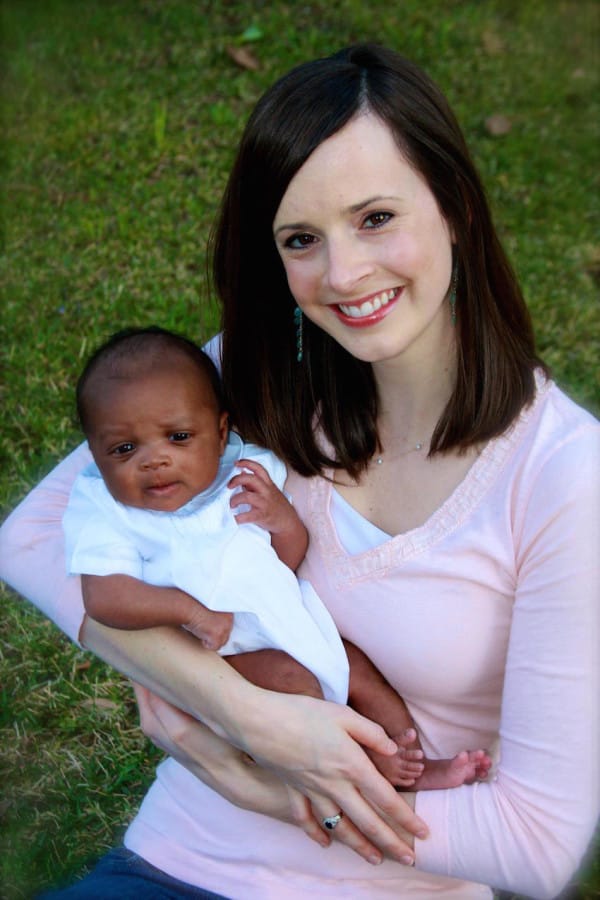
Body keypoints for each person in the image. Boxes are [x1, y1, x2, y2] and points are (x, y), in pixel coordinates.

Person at [0, 42, 598, 900]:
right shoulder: (247, 379)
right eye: (301, 239)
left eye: (377, 218)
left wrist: (281, 792)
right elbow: (27, 538)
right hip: (178, 860)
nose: (343, 274)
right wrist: (249, 716)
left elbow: (534, 844)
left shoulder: (564, 475)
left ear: (456, 206)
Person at [66, 323, 488, 791]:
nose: (154, 460)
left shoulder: (246, 475)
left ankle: (406, 753)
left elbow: (285, 560)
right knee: (296, 686)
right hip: (227, 654)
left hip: (297, 623)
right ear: (95, 455)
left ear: (221, 431)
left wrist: (281, 519)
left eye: (180, 437)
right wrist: (191, 612)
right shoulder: (108, 512)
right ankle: (369, 769)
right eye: (124, 449)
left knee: (359, 672)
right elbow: (105, 597)